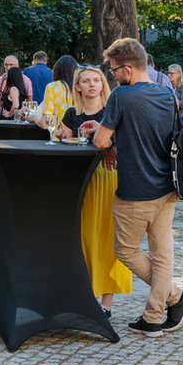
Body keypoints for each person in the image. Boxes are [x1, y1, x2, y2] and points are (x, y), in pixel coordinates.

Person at [79, 38, 183, 338]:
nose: (113, 75)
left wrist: (104, 133)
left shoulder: (121, 96)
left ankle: (175, 298)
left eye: (115, 69)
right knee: (161, 252)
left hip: (136, 187)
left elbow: (102, 141)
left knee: (126, 250)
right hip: (168, 185)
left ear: (128, 69)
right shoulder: (168, 94)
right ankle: (155, 315)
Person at [56, 66, 130, 318]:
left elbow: (126, 142)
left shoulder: (112, 111)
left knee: (109, 237)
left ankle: (106, 303)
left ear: (102, 84)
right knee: (83, 237)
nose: (91, 85)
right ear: (77, 86)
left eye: (96, 80)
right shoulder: (70, 114)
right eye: (85, 81)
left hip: (108, 177)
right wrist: (58, 135)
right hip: (81, 180)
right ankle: (83, 293)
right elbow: (61, 139)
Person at [30, 54, 78, 139]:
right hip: (78, 136)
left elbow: (46, 121)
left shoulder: (52, 87)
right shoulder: (80, 86)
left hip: (59, 136)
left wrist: (35, 118)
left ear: (57, 70)